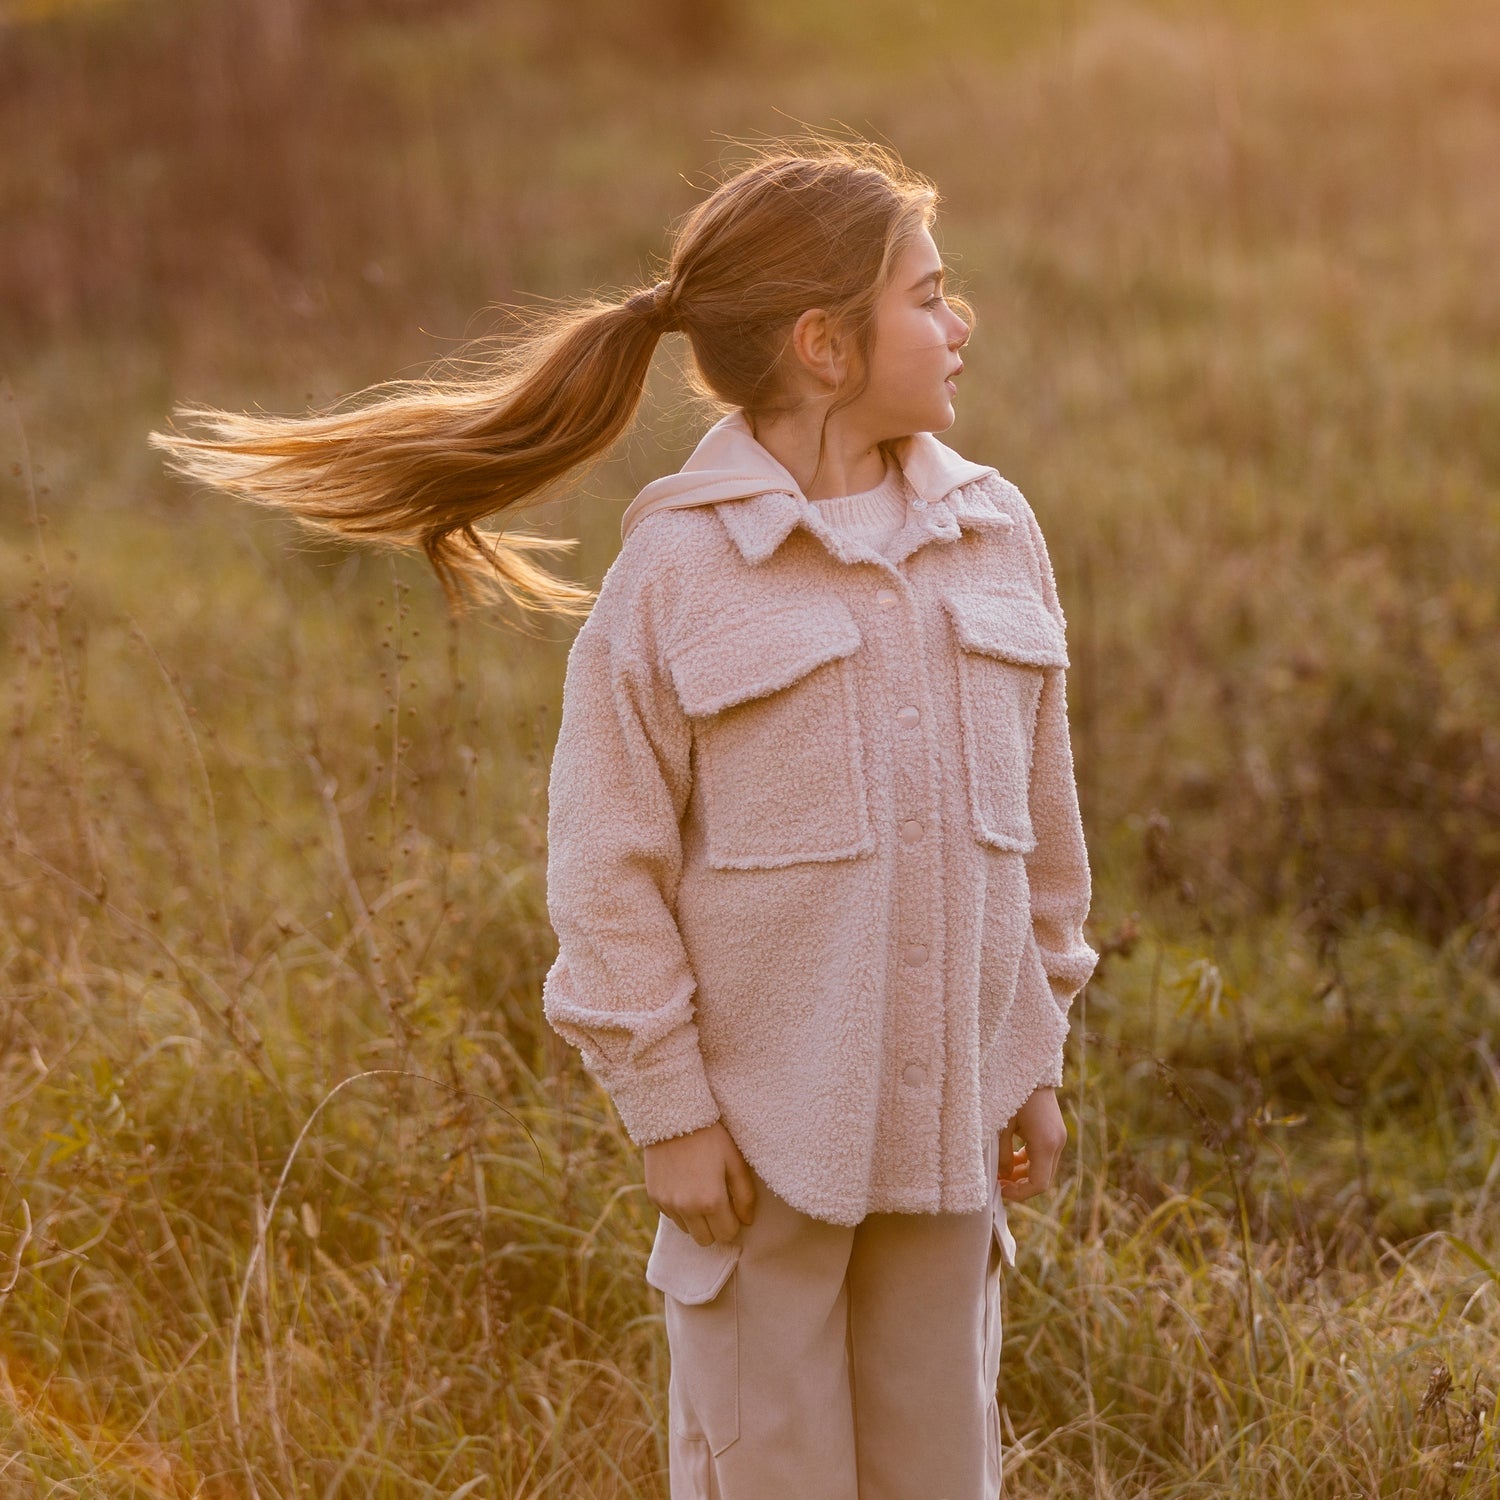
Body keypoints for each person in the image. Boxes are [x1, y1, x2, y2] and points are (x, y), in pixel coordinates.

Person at [148, 136, 1098, 1500]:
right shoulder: (677, 574)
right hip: (759, 1164)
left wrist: (1035, 1053)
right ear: (825, 344)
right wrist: (669, 1115)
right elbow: (607, 874)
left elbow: (1046, 841)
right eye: (928, 294)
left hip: (948, 1154)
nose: (961, 324)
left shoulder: (995, 535)